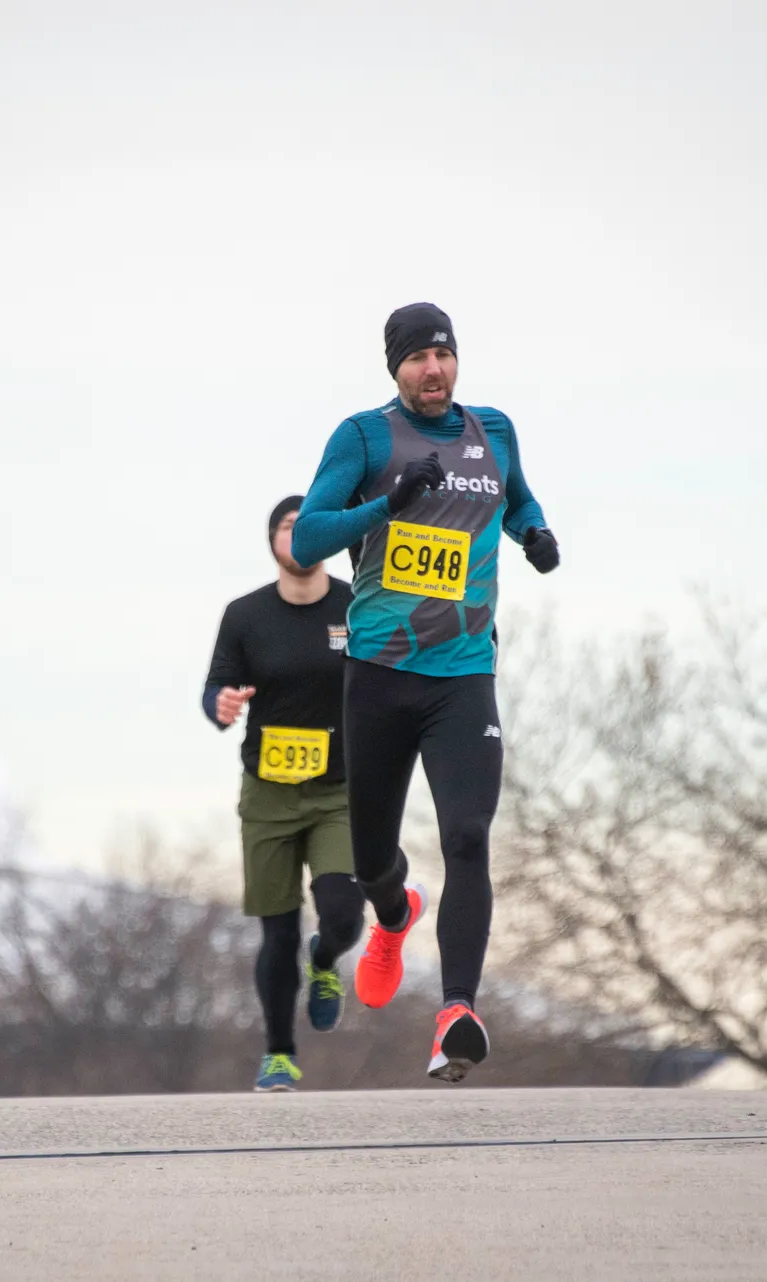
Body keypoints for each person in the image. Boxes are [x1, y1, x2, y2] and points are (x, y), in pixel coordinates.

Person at [291, 303, 558, 1082]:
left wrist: (534, 534)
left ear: (456, 360)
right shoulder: (364, 437)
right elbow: (308, 538)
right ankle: (395, 913)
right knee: (372, 857)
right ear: (394, 370)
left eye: (442, 355)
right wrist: (388, 502)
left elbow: (517, 499)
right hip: (378, 674)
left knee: (469, 836)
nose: (432, 370)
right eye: (417, 360)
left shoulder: (493, 431)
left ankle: (456, 1013)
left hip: (464, 677)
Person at [203, 496, 371, 1092]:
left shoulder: (357, 603)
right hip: (269, 793)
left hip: (339, 791)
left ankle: (324, 961)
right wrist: (221, 707)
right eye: (286, 528)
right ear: (271, 542)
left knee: (344, 916)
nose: (297, 537)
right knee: (276, 931)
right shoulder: (245, 614)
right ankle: (278, 1053)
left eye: (309, 528)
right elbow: (217, 686)